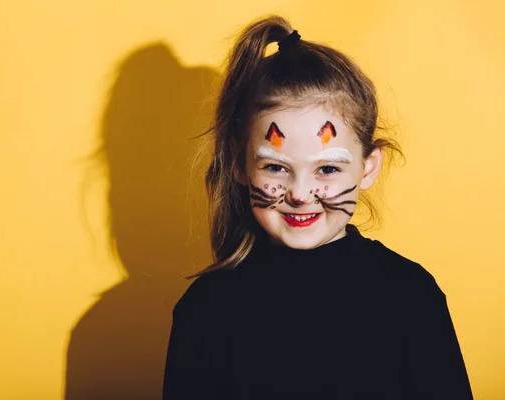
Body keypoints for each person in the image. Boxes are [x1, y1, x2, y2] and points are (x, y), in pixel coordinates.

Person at [162, 15, 473, 399]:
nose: (301, 194)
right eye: (276, 166)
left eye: (327, 168)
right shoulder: (205, 311)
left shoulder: (410, 297)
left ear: (368, 167)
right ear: (239, 164)